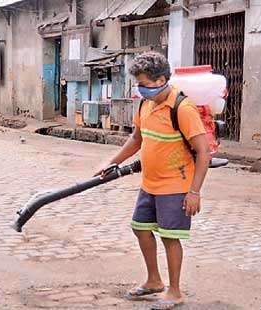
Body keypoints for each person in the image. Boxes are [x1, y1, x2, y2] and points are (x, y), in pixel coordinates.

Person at [96, 52, 210, 310]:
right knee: (140, 227)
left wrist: (194, 192)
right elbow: (137, 138)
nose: (140, 90)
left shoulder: (182, 108)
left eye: (144, 84)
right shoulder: (144, 105)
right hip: (150, 182)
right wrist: (112, 161)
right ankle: (154, 280)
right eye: (137, 84)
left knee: (170, 237)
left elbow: (204, 152)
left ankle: (175, 291)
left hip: (176, 185)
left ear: (161, 80)